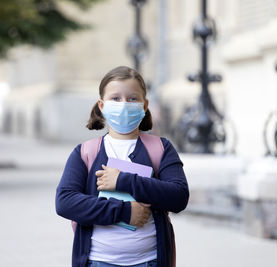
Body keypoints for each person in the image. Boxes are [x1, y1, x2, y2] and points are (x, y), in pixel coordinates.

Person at [56, 66, 189, 267]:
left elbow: (179, 197)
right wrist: (124, 211)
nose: (124, 104)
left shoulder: (161, 148)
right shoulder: (85, 152)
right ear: (101, 105)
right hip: (98, 261)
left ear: (145, 106)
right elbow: (65, 202)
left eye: (132, 98)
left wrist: (123, 180)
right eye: (116, 98)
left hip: (149, 261)